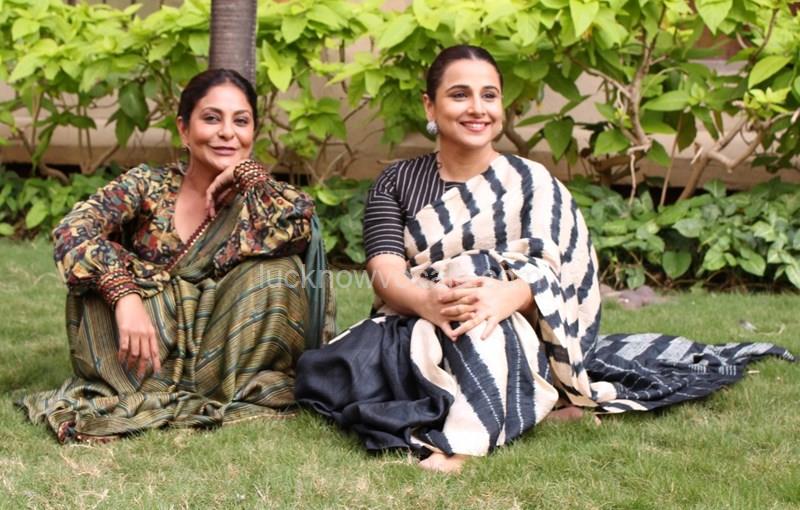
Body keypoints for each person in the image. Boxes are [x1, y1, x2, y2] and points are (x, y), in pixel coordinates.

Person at [294, 46, 794, 473]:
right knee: (342, 371)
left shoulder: (532, 183)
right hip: (418, 320)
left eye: (489, 95)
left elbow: (556, 273)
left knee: (482, 287)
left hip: (512, 325)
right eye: (459, 94)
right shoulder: (397, 181)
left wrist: (504, 295)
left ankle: (464, 441)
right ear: (430, 104)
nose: (477, 108)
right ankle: (526, 405)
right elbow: (385, 273)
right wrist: (429, 301)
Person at [17, 69, 335, 443]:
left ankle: (220, 387)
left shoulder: (260, 200)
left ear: (253, 132)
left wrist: (249, 176)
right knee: (94, 282)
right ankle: (144, 384)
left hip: (226, 349)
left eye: (241, 121)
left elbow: (300, 227)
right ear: (184, 129)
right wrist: (124, 294)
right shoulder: (148, 185)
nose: (227, 133)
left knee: (279, 271)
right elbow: (73, 230)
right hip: (149, 345)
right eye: (211, 118)